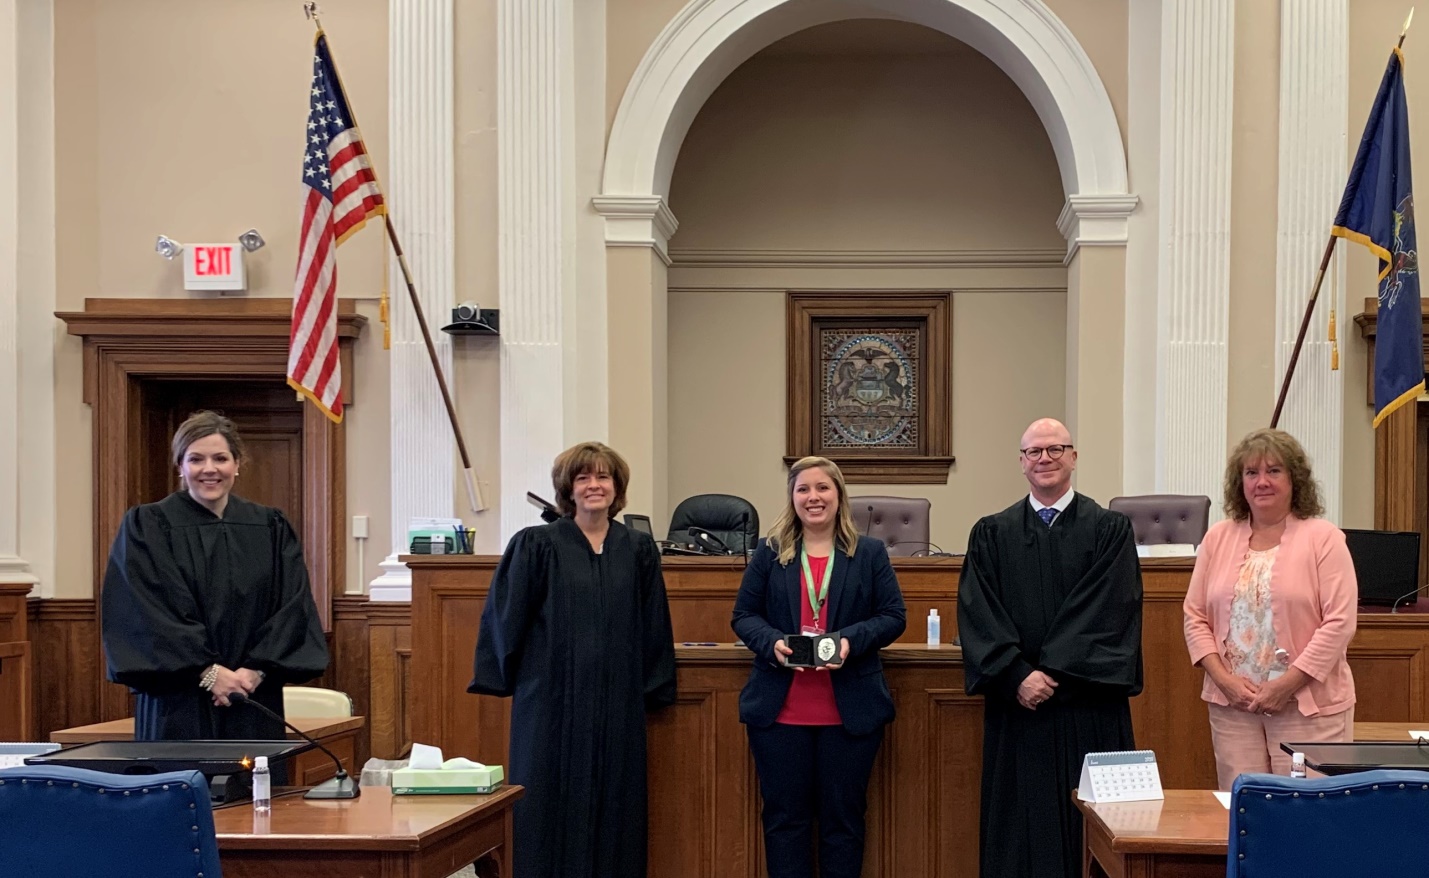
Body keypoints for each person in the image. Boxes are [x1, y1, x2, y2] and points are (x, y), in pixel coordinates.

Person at [470, 441, 677, 878]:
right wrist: (512, 674)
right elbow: (507, 618)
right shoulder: (536, 545)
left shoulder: (637, 549)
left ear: (617, 487)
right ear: (568, 489)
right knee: (545, 807)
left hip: (617, 704)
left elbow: (652, 623)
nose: (594, 486)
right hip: (550, 703)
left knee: (616, 806)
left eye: (603, 477)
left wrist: (652, 688)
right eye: (583, 478)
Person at [957, 418, 1143, 878]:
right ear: (1021, 464)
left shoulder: (1109, 530)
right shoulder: (991, 534)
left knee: (1095, 830)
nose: (1045, 458)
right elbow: (978, 611)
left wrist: (1050, 673)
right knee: (1019, 829)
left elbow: (1110, 609)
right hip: (1018, 707)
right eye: (1034, 452)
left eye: (1055, 449)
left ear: (1073, 458)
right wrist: (1017, 675)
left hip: (1088, 704)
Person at [101, 410, 329, 741]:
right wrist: (207, 673)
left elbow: (291, 605)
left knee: (258, 791)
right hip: (177, 703)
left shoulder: (269, 527)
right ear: (180, 466)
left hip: (252, 698)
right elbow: (146, 611)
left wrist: (253, 672)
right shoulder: (147, 526)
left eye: (220, 458)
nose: (209, 469)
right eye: (196, 459)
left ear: (237, 464)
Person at [731, 456, 906, 878]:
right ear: (792, 499)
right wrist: (772, 642)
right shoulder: (770, 553)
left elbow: (893, 615)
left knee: (842, 825)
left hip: (849, 713)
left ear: (839, 495)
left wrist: (849, 640)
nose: (814, 497)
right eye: (803, 489)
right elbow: (743, 615)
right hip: (780, 713)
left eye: (823, 488)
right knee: (784, 822)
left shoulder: (868, 553)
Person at [1183, 428, 1357, 790]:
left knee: (1308, 815)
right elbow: (1195, 617)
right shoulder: (1217, 537)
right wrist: (1225, 681)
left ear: (1295, 479)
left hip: (1307, 708)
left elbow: (1340, 623)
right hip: (1234, 707)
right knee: (1246, 811)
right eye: (1251, 473)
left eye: (1274, 471)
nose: (1262, 481)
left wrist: (1286, 685)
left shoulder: (1324, 538)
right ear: (1239, 482)